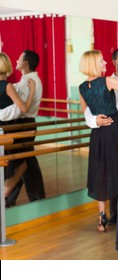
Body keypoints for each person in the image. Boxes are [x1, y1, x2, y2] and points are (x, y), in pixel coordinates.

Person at [78, 50, 118, 232]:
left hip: (98, 134)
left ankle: (101, 217)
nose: (105, 62)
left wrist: (96, 121)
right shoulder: (107, 81)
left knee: (101, 170)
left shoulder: (82, 87)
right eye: (101, 60)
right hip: (115, 128)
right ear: (94, 63)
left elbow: (85, 112)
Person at [0, 50, 45, 207]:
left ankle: (8, 197)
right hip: (16, 124)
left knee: (22, 162)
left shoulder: (28, 82)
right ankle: (9, 197)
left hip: (23, 124)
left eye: (19, 58)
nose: (16, 61)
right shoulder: (25, 81)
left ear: (25, 63)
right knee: (22, 162)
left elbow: (21, 108)